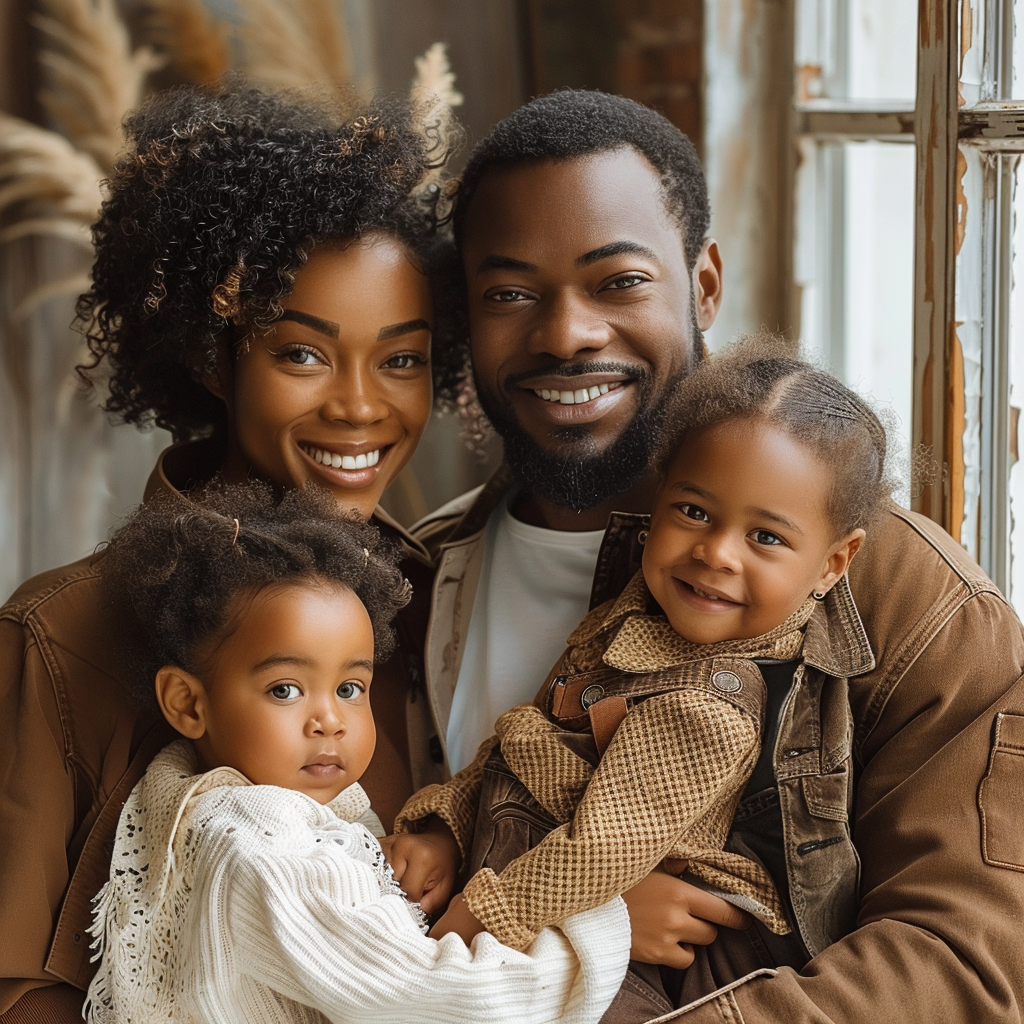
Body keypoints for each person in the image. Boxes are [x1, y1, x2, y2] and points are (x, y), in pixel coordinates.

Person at [413, 89, 1024, 1021]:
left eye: (618, 282)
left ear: (702, 285)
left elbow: (965, 964)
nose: (568, 332)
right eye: (510, 292)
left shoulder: (917, 602)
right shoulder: (405, 581)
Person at [0, 83, 458, 1019]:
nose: (362, 406)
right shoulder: (56, 638)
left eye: (402, 358)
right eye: (303, 354)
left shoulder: (438, 587)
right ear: (215, 357)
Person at [391, 343, 887, 1019]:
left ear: (833, 563)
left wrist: (477, 920)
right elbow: (529, 737)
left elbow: (602, 848)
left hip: (641, 964)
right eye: (694, 512)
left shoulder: (708, 707)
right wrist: (447, 824)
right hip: (543, 898)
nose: (715, 553)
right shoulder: (634, 616)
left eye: (766, 537)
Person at [84, 481, 628, 1024]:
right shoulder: (264, 849)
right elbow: (437, 998)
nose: (330, 721)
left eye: (350, 689)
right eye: (285, 689)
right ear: (188, 703)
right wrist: (597, 930)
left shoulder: (198, 798)